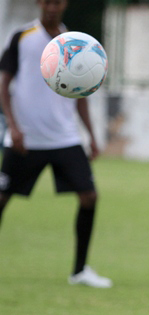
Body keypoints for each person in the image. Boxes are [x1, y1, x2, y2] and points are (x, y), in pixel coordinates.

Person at [0, 0, 111, 288]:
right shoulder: (22, 37)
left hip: (64, 138)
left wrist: (91, 136)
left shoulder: (75, 43)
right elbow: (4, 84)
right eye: (47, 1)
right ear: (39, 3)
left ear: (65, 4)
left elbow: (81, 93)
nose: (52, 7)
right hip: (26, 138)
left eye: (57, 1)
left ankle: (80, 271)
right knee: (1, 198)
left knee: (89, 197)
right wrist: (13, 126)